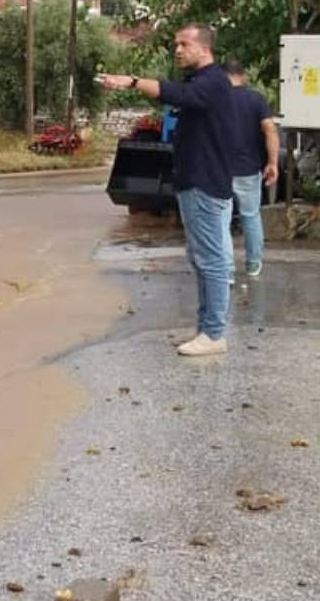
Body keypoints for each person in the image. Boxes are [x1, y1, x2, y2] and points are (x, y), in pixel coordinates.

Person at [101, 23, 236, 359]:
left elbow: (178, 95)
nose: (177, 50)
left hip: (204, 183)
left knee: (212, 260)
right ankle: (207, 327)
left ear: (204, 48)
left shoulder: (213, 81)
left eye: (184, 44)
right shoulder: (204, 81)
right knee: (203, 258)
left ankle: (214, 332)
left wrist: (131, 81)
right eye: (175, 44)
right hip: (196, 182)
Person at [226, 60, 279, 280]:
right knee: (250, 216)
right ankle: (253, 263)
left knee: (221, 220)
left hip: (219, 170)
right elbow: (270, 130)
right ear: (244, 76)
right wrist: (273, 162)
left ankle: (226, 269)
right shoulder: (256, 99)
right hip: (249, 168)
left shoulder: (216, 99)